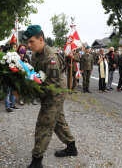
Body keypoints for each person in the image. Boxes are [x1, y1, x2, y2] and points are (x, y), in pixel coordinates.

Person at [23, 25, 77, 168]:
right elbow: (35, 75)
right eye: (28, 42)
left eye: (31, 41)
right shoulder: (36, 54)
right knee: (58, 120)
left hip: (55, 92)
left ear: (41, 39)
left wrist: (32, 93)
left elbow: (51, 85)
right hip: (47, 88)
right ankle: (71, 147)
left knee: (44, 123)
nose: (29, 45)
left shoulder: (50, 57)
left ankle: (36, 160)